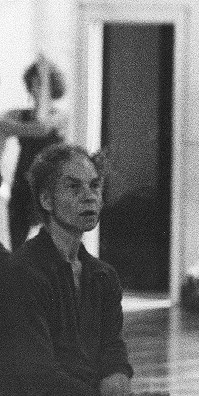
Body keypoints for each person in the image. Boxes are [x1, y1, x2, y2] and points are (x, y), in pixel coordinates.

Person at [0, 143, 133, 395]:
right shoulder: (23, 273)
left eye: (95, 185)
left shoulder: (104, 276)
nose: (89, 195)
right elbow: (36, 374)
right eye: (74, 187)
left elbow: (112, 351)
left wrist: (117, 380)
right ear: (47, 200)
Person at [4, 55, 67, 250]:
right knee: (17, 248)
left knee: (50, 247)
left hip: (50, 186)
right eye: (33, 84)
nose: (36, 89)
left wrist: (45, 76)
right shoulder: (17, 115)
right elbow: (2, 127)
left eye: (41, 85)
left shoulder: (60, 117)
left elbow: (41, 126)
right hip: (22, 185)